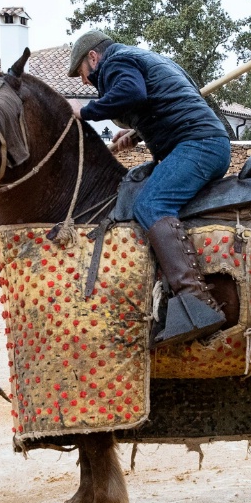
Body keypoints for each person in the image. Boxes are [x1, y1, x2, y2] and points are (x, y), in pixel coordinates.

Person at [67, 29, 231, 347]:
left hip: (198, 145)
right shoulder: (148, 58)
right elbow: (169, 102)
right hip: (203, 141)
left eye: (83, 74)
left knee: (150, 205)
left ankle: (196, 305)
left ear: (93, 57)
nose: (86, 82)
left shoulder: (116, 61)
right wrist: (138, 133)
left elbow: (132, 93)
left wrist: (83, 111)